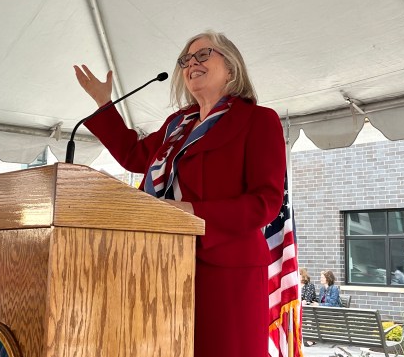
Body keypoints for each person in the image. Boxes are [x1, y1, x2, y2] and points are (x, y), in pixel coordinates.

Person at [74, 30, 286, 357]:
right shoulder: (178, 125)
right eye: (185, 60)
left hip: (226, 273)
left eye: (203, 55)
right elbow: (133, 154)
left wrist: (191, 212)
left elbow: (266, 203)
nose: (191, 63)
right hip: (163, 262)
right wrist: (104, 104)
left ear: (231, 68)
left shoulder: (259, 121)